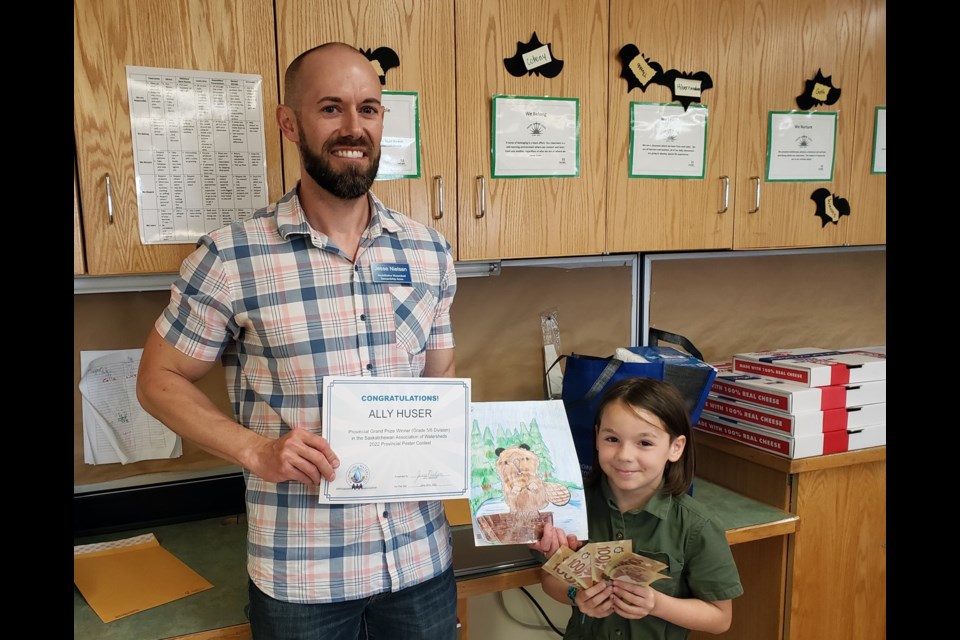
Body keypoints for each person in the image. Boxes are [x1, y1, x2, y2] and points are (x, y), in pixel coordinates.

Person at [136, 42, 459, 640]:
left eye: (369, 108)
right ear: (290, 123)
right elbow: (157, 381)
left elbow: (439, 374)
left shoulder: (428, 250)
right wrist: (257, 452)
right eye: (330, 108)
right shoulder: (231, 257)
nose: (353, 128)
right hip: (304, 581)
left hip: (420, 563)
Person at [534, 377, 743, 639]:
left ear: (675, 447)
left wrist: (657, 604)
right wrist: (577, 596)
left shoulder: (697, 526)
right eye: (612, 439)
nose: (624, 455)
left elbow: (720, 618)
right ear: (597, 437)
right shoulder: (571, 509)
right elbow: (550, 580)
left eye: (644, 443)